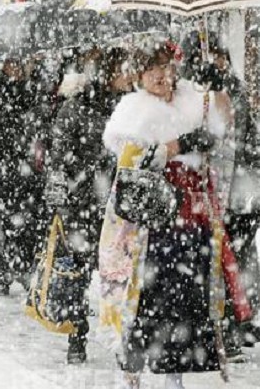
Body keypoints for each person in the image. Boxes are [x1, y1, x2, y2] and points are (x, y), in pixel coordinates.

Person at [98, 39, 229, 389]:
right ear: (139, 75)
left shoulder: (192, 100)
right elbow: (130, 165)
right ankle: (132, 371)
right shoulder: (133, 110)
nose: (161, 75)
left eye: (166, 66)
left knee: (185, 297)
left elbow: (222, 129)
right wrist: (172, 148)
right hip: (152, 222)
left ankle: (176, 374)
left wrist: (215, 88)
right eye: (152, 68)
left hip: (192, 215)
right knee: (146, 298)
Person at [46, 46, 135, 364]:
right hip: (82, 203)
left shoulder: (134, 108)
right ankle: (76, 335)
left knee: (119, 276)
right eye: (124, 70)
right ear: (109, 72)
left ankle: (121, 339)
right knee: (78, 276)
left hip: (121, 207)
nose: (129, 76)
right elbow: (57, 155)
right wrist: (60, 196)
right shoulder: (76, 107)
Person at [180, 30, 260, 351]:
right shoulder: (188, 95)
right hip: (206, 193)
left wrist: (257, 189)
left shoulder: (236, 93)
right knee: (213, 262)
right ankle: (220, 325)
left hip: (239, 191)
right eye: (208, 55)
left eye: (220, 55)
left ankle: (241, 318)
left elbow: (251, 144)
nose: (216, 61)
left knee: (238, 260)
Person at [0, 57, 55, 296]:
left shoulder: (37, 91)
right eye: (13, 63)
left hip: (29, 169)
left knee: (30, 223)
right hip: (1, 169)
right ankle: (1, 274)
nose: (19, 67)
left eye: (23, 63)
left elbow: (45, 129)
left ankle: (26, 268)